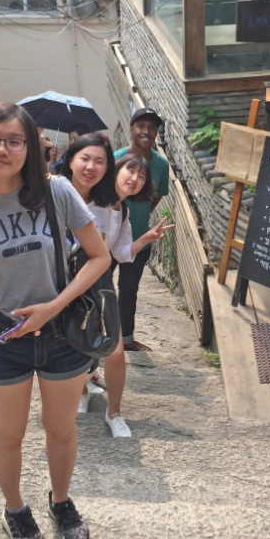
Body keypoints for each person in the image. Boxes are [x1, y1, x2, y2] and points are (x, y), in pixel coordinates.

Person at [0, 102, 111, 539]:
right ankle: (15, 507)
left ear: (29, 149)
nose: (2, 149)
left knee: (61, 428)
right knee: (9, 433)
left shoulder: (57, 192)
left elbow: (99, 257)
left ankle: (61, 501)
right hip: (2, 335)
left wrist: (54, 306)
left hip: (60, 333)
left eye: (15, 141)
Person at [61, 136, 173, 436]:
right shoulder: (86, 201)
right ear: (115, 171)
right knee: (73, 341)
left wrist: (146, 238)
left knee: (115, 350)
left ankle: (114, 412)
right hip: (68, 280)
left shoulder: (120, 211)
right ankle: (83, 391)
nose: (135, 179)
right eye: (129, 171)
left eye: (141, 176)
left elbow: (121, 254)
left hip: (99, 282)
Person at [113, 107, 170, 352]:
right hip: (107, 240)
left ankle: (126, 340)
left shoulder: (160, 165)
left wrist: (141, 212)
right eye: (141, 126)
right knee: (97, 289)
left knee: (129, 291)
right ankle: (95, 339)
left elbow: (156, 196)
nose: (146, 131)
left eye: (152, 128)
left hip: (138, 238)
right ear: (131, 129)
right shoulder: (115, 158)